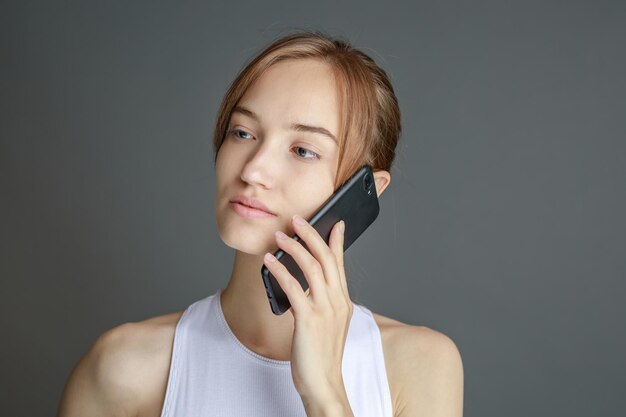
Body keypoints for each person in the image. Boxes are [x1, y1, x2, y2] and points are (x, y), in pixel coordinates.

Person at [56, 31, 464, 417]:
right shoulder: (122, 368)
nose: (254, 170)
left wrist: (326, 396)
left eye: (302, 150)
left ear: (366, 191)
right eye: (243, 132)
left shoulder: (420, 365)